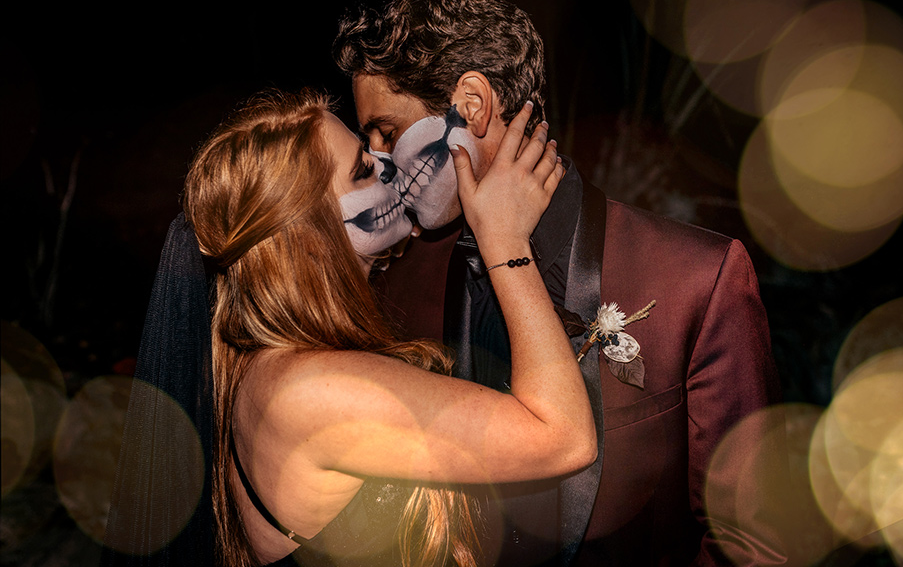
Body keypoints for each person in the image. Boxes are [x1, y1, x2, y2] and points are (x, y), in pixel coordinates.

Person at [333, 0, 785, 566]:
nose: (381, 164)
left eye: (387, 133)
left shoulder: (697, 277)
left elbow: (752, 545)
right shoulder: (401, 287)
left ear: (472, 104)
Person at [100, 89, 597, 567]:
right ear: (312, 240)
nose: (388, 165)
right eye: (362, 169)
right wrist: (505, 238)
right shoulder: (312, 391)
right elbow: (564, 438)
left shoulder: (261, 360)